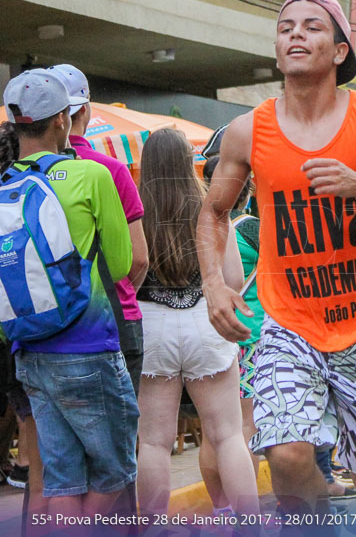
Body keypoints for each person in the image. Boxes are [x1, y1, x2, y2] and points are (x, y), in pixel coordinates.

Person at [197, 0, 356, 527]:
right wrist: (214, 284)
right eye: (286, 28)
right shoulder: (246, 131)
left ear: (339, 51)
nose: (295, 35)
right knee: (285, 452)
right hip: (287, 320)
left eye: (311, 27)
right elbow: (213, 212)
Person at [2, 70, 136, 519]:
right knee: (116, 474)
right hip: (88, 346)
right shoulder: (90, 176)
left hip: (29, 352)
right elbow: (120, 266)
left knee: (62, 480)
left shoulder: (2, 186)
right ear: (63, 119)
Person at [134, 129, 259, 518]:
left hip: (152, 326)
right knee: (227, 436)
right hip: (207, 323)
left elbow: (129, 268)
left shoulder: (136, 208)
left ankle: (151, 526)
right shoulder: (208, 205)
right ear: (190, 163)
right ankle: (248, 523)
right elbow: (233, 281)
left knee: (154, 443)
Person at [51, 64, 149, 398]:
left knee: (57, 445)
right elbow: (138, 260)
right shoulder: (109, 169)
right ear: (86, 110)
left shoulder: (24, 177)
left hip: (45, 327)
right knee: (120, 443)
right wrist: (118, 289)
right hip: (114, 320)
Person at [200, 156, 268, 508]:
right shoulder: (254, 228)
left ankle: (221, 508)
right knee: (243, 426)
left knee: (213, 432)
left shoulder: (201, 225)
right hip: (248, 333)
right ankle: (244, 508)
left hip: (209, 329)